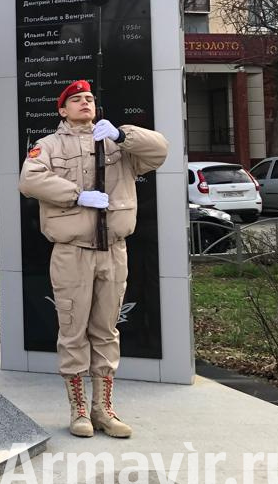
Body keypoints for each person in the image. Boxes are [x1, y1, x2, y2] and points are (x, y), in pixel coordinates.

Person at [18, 80, 168, 440]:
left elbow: (159, 151)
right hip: (73, 252)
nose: (85, 102)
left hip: (113, 250)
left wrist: (122, 134)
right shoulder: (49, 146)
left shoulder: (115, 141)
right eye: (76, 99)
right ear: (62, 110)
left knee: (106, 331)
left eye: (89, 98)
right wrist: (78, 196)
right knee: (73, 332)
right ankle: (79, 410)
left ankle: (104, 409)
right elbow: (29, 180)